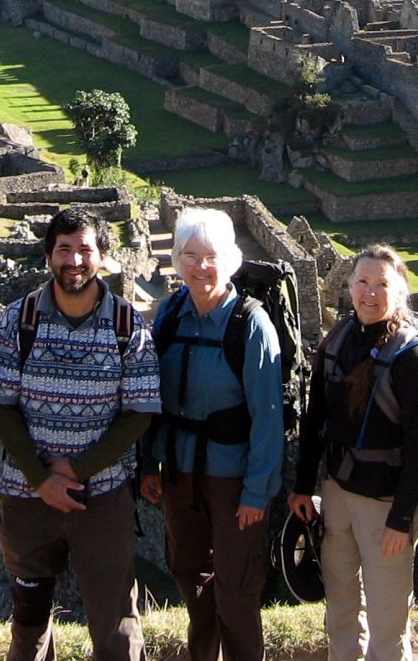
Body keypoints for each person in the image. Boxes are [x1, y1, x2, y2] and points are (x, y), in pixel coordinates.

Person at [0, 208, 161, 661]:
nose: (75, 260)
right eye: (64, 249)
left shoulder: (127, 327)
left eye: (85, 250)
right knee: (28, 625)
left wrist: (76, 470)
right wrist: (42, 478)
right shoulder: (16, 321)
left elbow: (139, 413)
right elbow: (2, 406)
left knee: (115, 625)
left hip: (101, 497)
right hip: (27, 496)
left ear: (103, 257)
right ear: (48, 256)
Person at [138, 208, 284, 661]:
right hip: (179, 471)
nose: (201, 267)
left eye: (211, 256)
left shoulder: (250, 325)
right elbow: (151, 396)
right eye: (190, 255)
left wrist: (257, 493)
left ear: (231, 260)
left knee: (237, 585)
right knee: (188, 571)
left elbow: (268, 415)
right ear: (178, 261)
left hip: (234, 476)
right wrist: (148, 463)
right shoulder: (170, 315)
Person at [288, 244, 418, 661]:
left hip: (386, 503)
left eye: (381, 284)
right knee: (340, 607)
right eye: (362, 281)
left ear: (400, 291)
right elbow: (315, 415)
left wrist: (402, 519)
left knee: (388, 619)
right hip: (337, 493)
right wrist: (303, 486)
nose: (370, 293)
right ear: (350, 286)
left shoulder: (413, 357)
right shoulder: (339, 339)